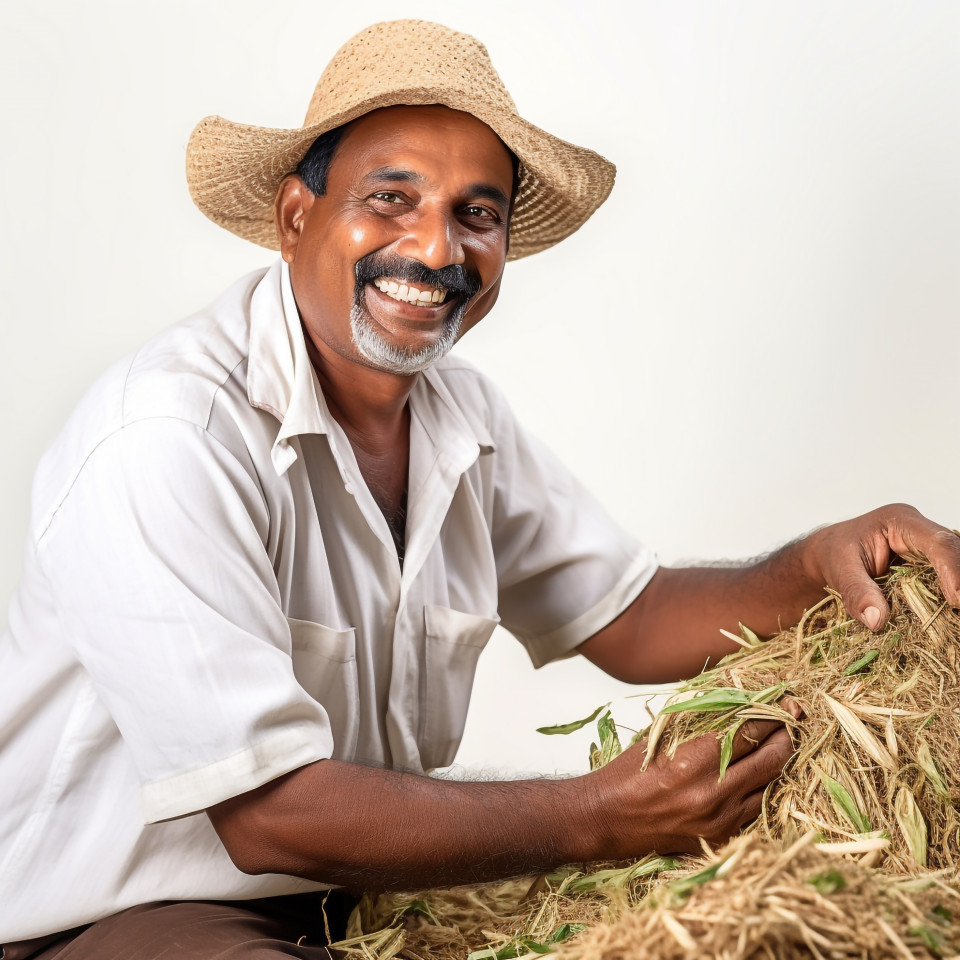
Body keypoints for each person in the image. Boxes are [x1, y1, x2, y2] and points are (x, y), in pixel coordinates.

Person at [1, 18, 958, 960]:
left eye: (476, 213)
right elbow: (268, 817)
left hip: (351, 911)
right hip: (111, 921)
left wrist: (823, 561)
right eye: (391, 197)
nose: (434, 251)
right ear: (297, 219)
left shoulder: (461, 416)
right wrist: (600, 815)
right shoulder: (170, 436)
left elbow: (632, 617)